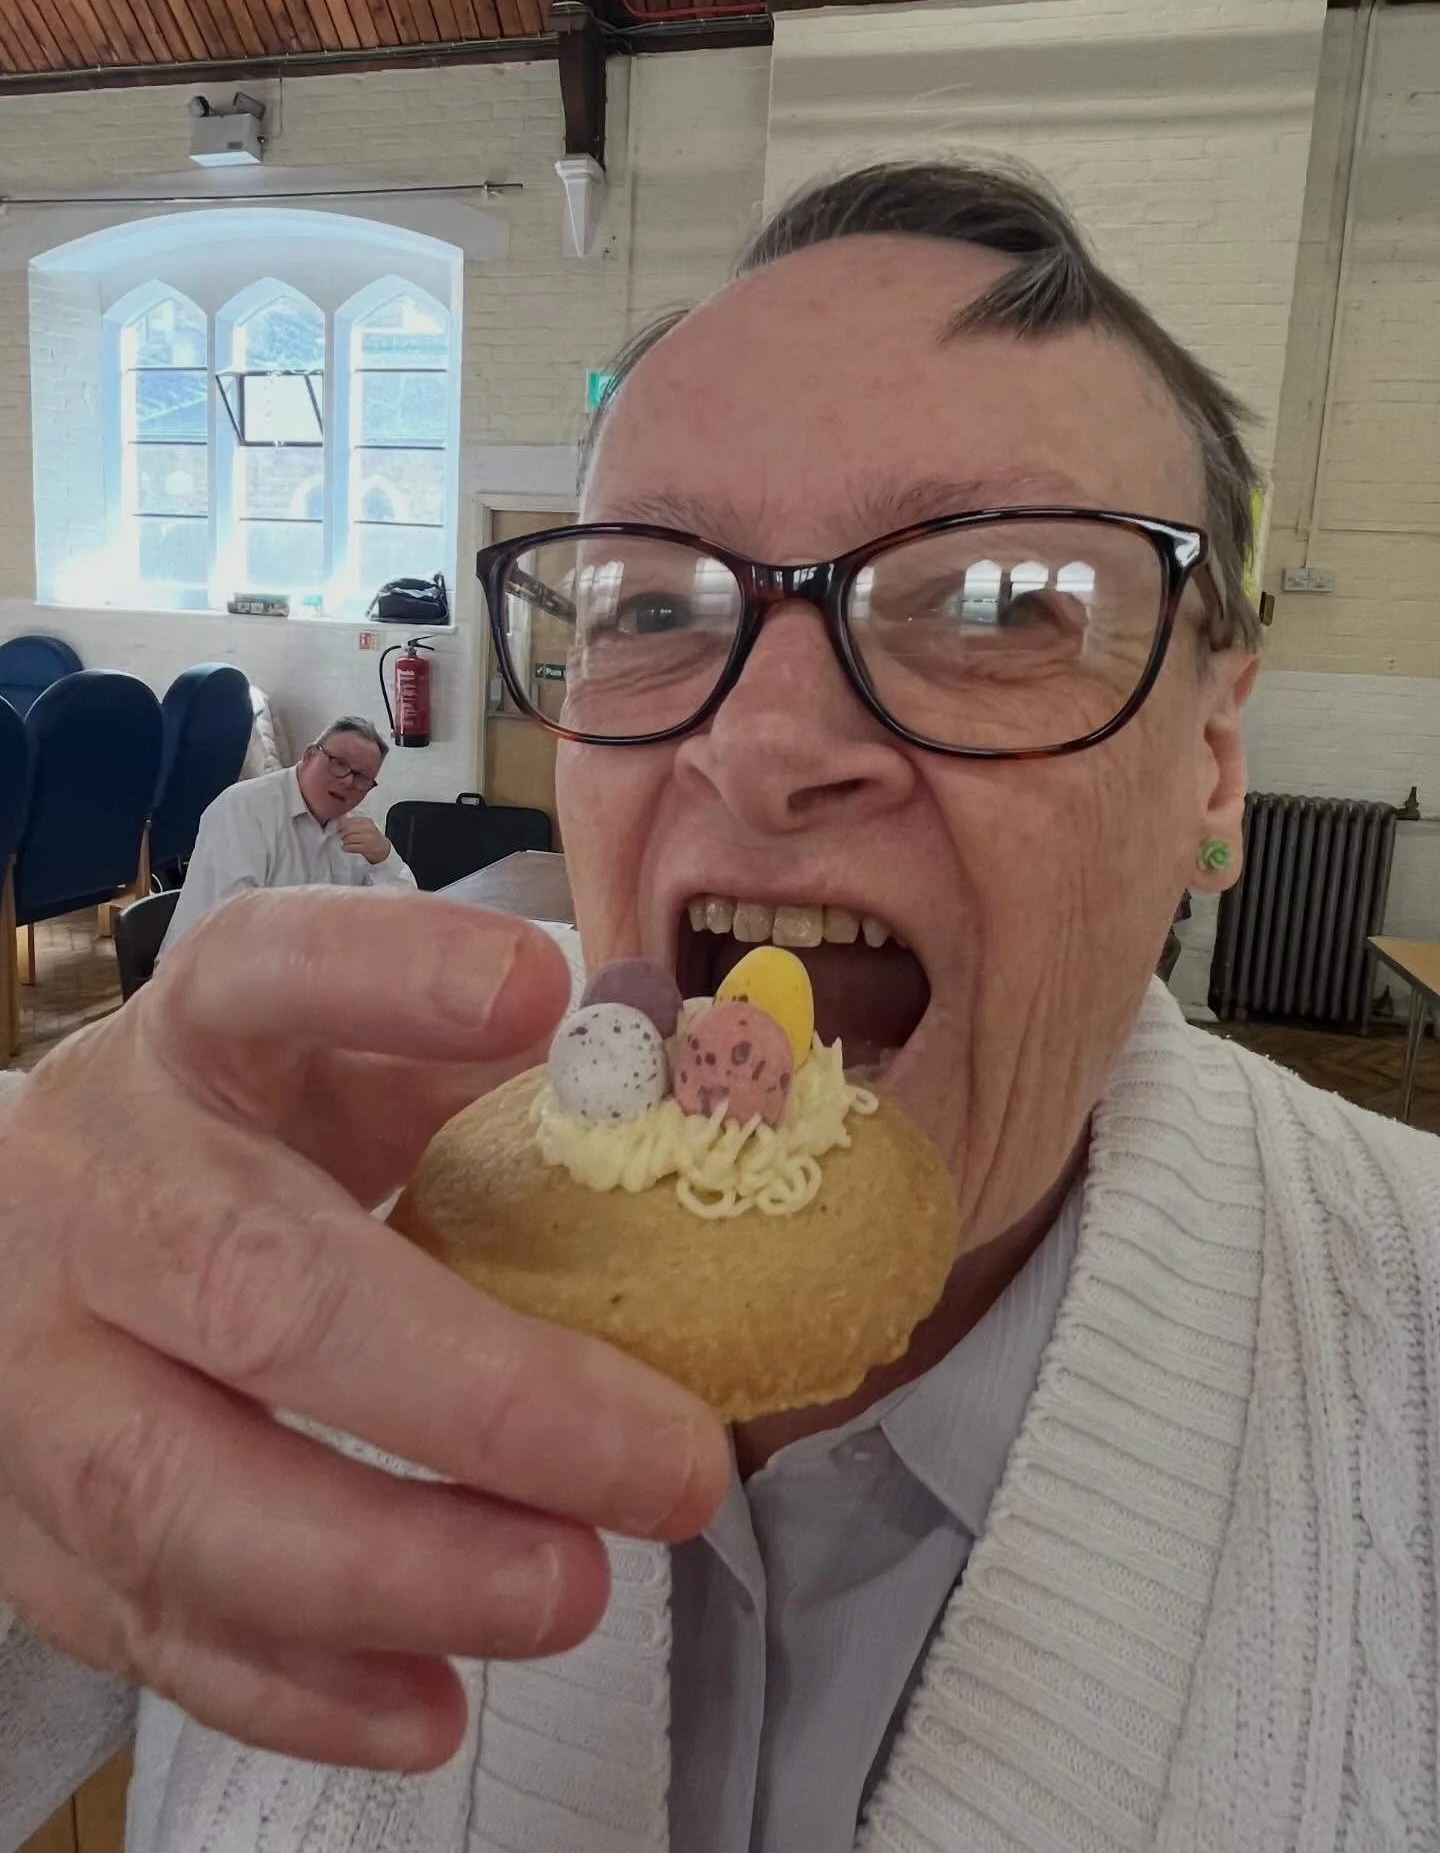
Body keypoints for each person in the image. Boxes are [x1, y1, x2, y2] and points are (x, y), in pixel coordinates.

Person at [2, 159, 1439, 1853]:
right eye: (654, 605)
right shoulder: (269, 1249)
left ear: (1215, 755)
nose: (756, 743)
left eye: (994, 603)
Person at [161, 715, 415, 951]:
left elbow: (407, 918)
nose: (348, 781)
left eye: (361, 777)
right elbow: (233, 920)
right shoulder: (243, 808)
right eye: (339, 764)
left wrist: (384, 857)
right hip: (205, 972)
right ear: (309, 755)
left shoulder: (358, 826)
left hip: (301, 974)